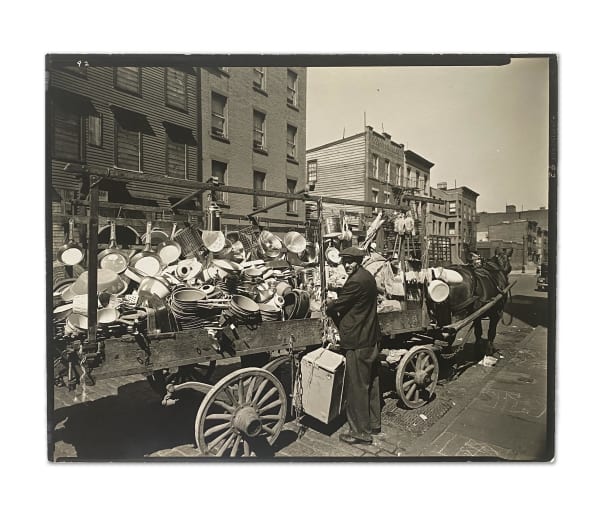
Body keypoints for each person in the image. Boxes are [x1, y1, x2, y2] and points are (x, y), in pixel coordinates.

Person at [325, 246, 382, 445]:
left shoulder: (356, 281)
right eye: (344, 262)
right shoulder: (367, 276)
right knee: (372, 383)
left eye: (350, 262)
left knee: (357, 387)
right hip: (371, 338)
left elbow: (338, 305)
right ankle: (374, 424)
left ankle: (360, 433)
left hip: (358, 340)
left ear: (358, 260)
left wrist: (329, 304)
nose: (347, 265)